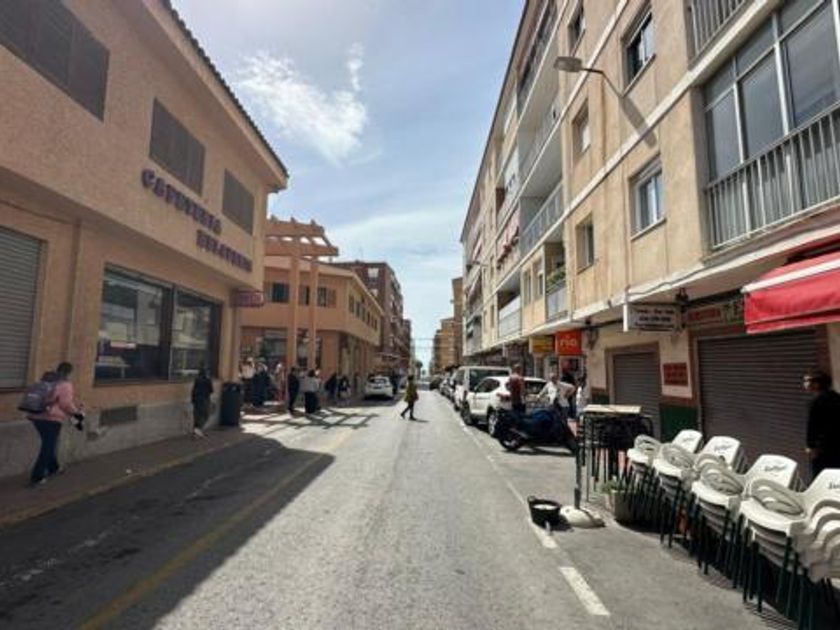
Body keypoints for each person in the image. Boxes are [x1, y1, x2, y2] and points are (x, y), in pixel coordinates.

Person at [26, 362, 83, 486]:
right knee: (48, 446)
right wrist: (77, 413)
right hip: (51, 419)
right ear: (69, 372)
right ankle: (37, 476)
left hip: (35, 416)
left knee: (49, 443)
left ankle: (53, 468)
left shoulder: (46, 380)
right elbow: (65, 404)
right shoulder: (65, 385)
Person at [804, 369, 840, 479]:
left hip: (823, 448)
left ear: (816, 384)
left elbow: (812, 426)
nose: (805, 384)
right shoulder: (837, 397)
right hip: (837, 445)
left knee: (822, 476)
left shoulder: (816, 401)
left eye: (807, 381)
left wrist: (810, 446)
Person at [191, 368, 213, 438]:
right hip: (204, 400)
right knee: (206, 414)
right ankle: (198, 429)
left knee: (197, 416)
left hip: (196, 400)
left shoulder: (197, 380)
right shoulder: (208, 380)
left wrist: (193, 400)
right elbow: (211, 390)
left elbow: (193, 390)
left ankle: (196, 432)